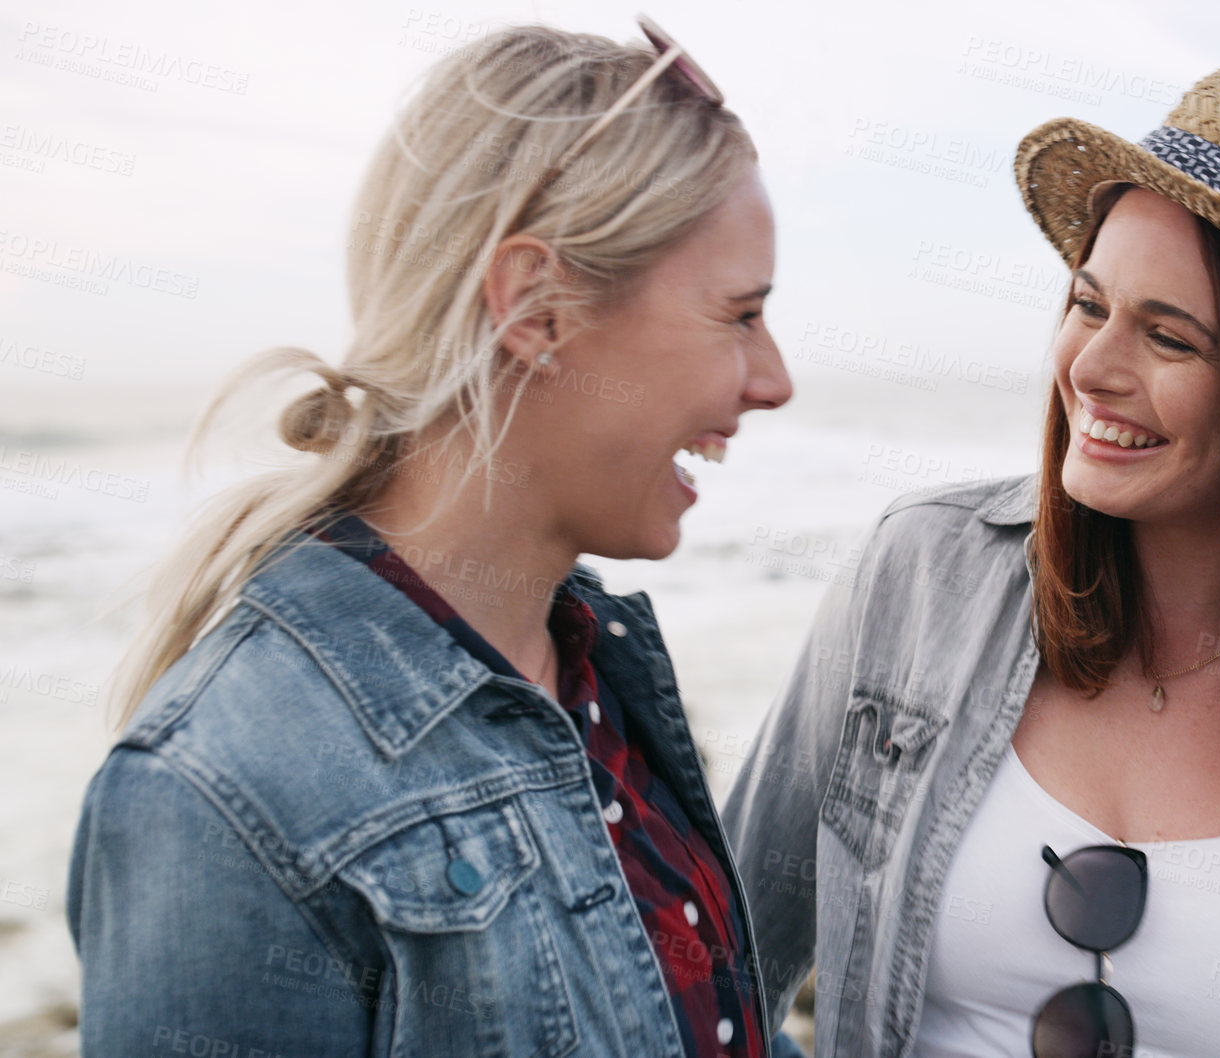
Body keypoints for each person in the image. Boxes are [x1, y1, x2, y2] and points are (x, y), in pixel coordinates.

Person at [723, 65, 1220, 1058]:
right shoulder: (919, 573)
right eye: (1087, 302)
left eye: (1169, 337)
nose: (1092, 368)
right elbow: (721, 961)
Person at [67, 19, 796, 1057]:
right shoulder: (222, 793)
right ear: (535, 308)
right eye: (740, 314)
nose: (773, 380)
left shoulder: (598, 673)